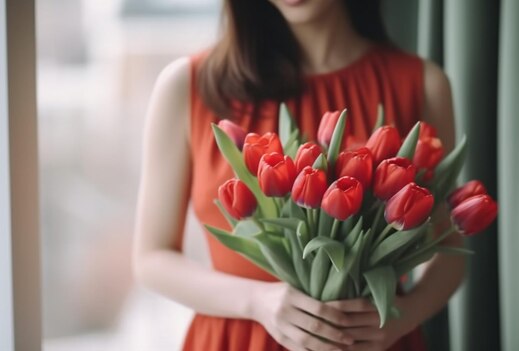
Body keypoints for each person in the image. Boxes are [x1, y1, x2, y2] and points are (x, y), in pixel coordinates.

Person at [133, 0, 465, 350]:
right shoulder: (187, 86)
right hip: (237, 340)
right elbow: (151, 258)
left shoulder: (422, 84)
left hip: (373, 340)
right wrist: (257, 301)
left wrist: (399, 315)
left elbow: (448, 248)